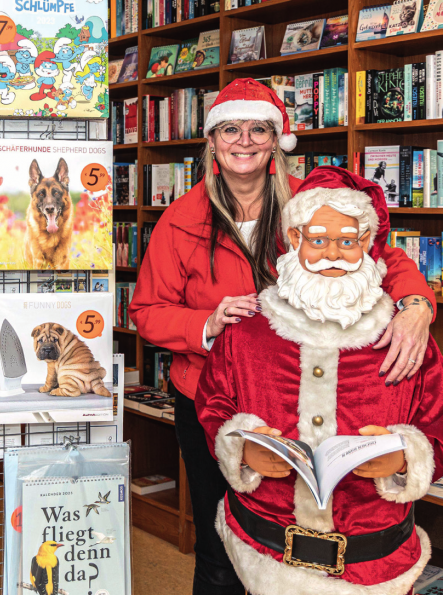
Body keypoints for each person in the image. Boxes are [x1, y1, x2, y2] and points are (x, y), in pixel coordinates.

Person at [128, 78, 437, 595]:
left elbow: (386, 255)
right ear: (212, 140)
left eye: (258, 130)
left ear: (276, 141)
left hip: (307, 396)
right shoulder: (179, 221)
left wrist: (417, 305)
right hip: (214, 401)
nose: (243, 141)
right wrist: (206, 322)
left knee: (299, 552)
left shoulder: (311, 204)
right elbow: (147, 311)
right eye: (230, 129)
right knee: (221, 546)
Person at [195, 167, 443, 595]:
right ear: (294, 240)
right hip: (264, 551)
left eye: (347, 241)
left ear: (367, 244)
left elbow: (437, 423)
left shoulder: (405, 334)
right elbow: (214, 404)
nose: (333, 253)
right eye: (318, 239)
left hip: (374, 561)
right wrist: (241, 445)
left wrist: (405, 459)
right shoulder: (247, 329)